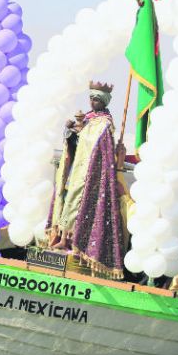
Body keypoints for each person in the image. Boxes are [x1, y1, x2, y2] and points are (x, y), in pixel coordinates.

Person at [49, 81, 127, 280]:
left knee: (79, 204)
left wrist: (83, 133)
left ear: (104, 102)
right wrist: (71, 133)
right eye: (91, 98)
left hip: (90, 173)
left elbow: (99, 147)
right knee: (67, 200)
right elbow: (78, 144)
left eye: (97, 99)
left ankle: (73, 241)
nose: (93, 102)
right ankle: (62, 238)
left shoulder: (105, 123)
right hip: (76, 169)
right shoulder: (89, 119)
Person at [47, 110, 85, 246]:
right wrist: (68, 129)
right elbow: (68, 142)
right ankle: (60, 237)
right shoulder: (76, 132)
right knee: (64, 206)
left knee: (73, 209)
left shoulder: (88, 132)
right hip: (71, 173)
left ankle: (67, 240)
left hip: (81, 175)